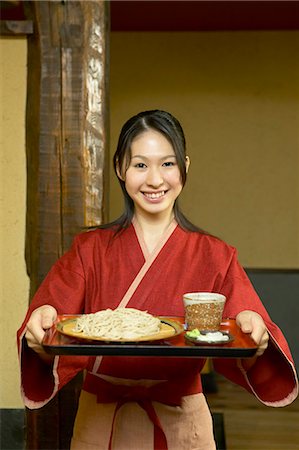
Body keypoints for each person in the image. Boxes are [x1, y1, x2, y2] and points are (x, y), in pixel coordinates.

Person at [18, 110, 298, 450]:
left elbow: (248, 337)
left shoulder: (216, 255)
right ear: (120, 168)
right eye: (140, 165)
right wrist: (40, 332)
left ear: (185, 166)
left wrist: (255, 334)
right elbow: (49, 325)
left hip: (183, 422)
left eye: (167, 164)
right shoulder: (88, 250)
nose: (154, 180)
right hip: (101, 422)